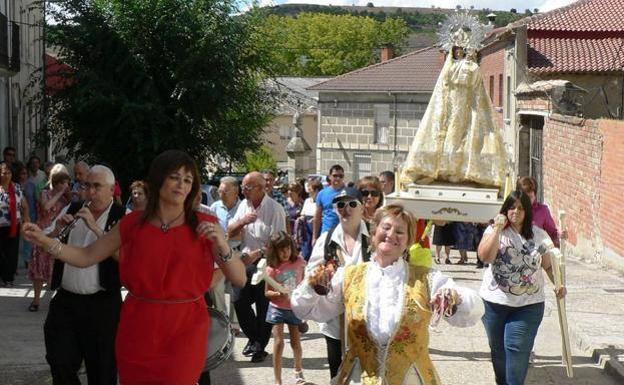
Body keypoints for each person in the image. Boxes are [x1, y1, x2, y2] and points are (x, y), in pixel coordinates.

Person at [23, 151, 247, 385]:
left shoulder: (205, 225)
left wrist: (222, 244)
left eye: (188, 180)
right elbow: (87, 256)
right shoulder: (132, 223)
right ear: (158, 180)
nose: (181, 184)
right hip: (138, 326)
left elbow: (239, 278)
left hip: (185, 329)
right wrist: (46, 241)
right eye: (175, 177)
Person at [292, 204, 484, 384]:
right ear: (374, 232)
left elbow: (473, 309)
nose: (391, 234)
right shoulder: (349, 275)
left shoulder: (426, 278)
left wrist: (454, 298)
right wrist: (313, 286)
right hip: (358, 377)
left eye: (400, 232)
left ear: (408, 241)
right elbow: (306, 310)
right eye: (386, 228)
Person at [401, 17, 506, 188]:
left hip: (469, 104)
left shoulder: (472, 67)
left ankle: (465, 170)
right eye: (456, 50)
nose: (458, 53)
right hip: (450, 105)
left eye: (461, 50)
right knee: (449, 136)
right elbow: (443, 85)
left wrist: (470, 64)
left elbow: (475, 83)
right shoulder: (448, 67)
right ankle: (444, 168)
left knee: (468, 135)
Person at [477, 190, 567, 385]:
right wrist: (497, 230)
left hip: (529, 305)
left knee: (517, 349)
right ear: (505, 210)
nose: (515, 211)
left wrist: (558, 284)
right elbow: (485, 257)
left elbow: (549, 266)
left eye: (520, 208)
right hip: (494, 304)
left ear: (527, 211)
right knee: (498, 352)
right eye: (511, 207)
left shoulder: (539, 235)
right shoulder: (494, 232)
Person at [297, 187, 369, 380]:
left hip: (367, 322)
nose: (346, 208)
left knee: (368, 375)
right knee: (337, 375)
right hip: (334, 321)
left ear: (362, 208)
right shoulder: (326, 240)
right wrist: (318, 279)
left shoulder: (375, 237)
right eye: (340, 204)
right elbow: (311, 274)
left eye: (352, 204)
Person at [228, 171, 287, 363]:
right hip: (245, 261)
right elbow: (230, 231)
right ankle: (254, 339)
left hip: (267, 263)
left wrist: (259, 253)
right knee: (238, 300)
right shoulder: (243, 205)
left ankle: (259, 347)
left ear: (262, 188)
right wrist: (243, 221)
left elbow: (279, 241)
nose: (243, 190)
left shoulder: (274, 208)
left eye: (248, 187)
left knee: (263, 306)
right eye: (243, 186)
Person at [264, 231, 307, 385]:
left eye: (287, 248)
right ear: (274, 251)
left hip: (294, 307)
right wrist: (277, 293)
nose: (285, 252)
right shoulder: (271, 268)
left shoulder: (300, 262)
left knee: (296, 343)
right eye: (281, 249)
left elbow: (305, 284)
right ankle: (278, 379)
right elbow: (266, 292)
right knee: (278, 342)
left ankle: (298, 371)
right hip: (277, 308)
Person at [28, 165, 72, 312]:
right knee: (38, 268)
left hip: (57, 235)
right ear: (56, 182)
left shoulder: (66, 200)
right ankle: (35, 300)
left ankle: (57, 300)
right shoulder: (44, 193)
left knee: (55, 268)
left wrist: (68, 194)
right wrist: (60, 193)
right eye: (62, 183)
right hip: (42, 234)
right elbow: (46, 207)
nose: (65, 186)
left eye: (67, 183)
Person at [0, 161, 30, 287]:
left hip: (14, 226)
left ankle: (9, 278)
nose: (6, 175)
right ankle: (3, 274)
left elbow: (24, 206)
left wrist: (26, 220)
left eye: (9, 173)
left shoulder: (17, 187)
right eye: (3, 173)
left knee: (11, 253)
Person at [516, 176, 562, 247]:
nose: (527, 201)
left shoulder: (542, 211)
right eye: (525, 197)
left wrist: (560, 236)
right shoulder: (512, 210)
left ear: (535, 196)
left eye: (530, 197)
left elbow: (553, 233)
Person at [313, 164, 346, 244]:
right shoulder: (322, 194)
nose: (338, 178)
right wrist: (314, 237)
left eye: (341, 176)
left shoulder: (348, 192)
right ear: (330, 176)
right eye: (335, 175)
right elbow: (317, 217)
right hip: (326, 233)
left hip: (344, 234)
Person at [295, 177, 322, 261]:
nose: (309, 190)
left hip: (318, 228)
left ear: (317, 190)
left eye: (311, 188)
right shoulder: (307, 201)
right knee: (306, 251)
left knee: (316, 250)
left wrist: (315, 219)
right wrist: (300, 219)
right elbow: (303, 214)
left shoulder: (321, 201)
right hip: (306, 229)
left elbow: (323, 215)